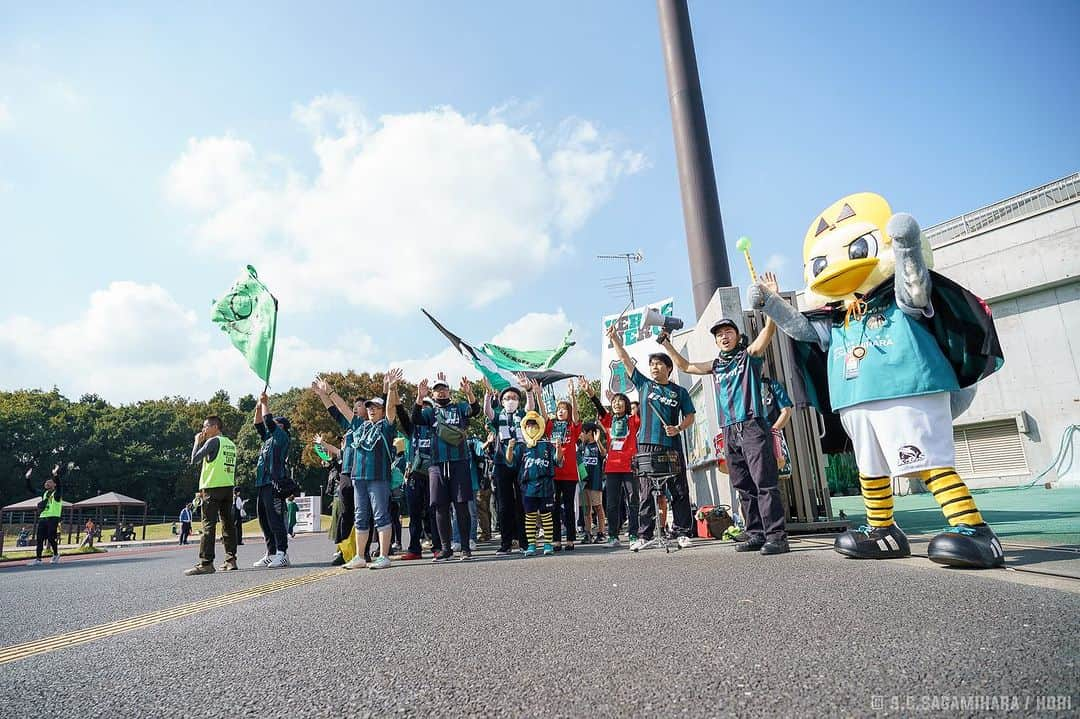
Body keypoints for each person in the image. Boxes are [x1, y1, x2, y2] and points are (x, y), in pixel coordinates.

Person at [659, 271, 789, 555]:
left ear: (737, 335)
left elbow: (768, 332)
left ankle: (777, 536)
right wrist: (666, 343)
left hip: (753, 424)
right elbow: (686, 366)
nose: (723, 337)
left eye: (728, 332)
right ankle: (755, 533)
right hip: (729, 429)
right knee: (742, 484)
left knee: (764, 482)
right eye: (719, 335)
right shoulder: (716, 365)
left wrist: (773, 300)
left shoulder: (748, 357)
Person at [607, 323, 696, 552]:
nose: (654, 367)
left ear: (669, 368)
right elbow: (626, 361)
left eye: (658, 364)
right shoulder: (644, 385)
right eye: (651, 364)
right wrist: (616, 339)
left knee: (678, 490)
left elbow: (690, 416)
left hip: (672, 446)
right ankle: (644, 534)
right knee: (646, 492)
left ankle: (682, 532)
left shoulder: (680, 392)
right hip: (646, 447)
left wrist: (678, 428)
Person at [413, 373, 480, 562]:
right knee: (440, 506)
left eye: (443, 389)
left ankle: (465, 547)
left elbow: (475, 411)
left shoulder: (459, 407)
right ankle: (445, 548)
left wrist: (469, 393)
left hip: (459, 461)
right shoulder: (430, 412)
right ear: (432, 394)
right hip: (436, 464)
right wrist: (419, 397)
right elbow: (415, 418)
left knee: (461, 505)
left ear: (449, 391)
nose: (441, 393)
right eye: (437, 390)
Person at [342, 368, 403, 570]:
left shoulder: (386, 426)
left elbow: (391, 411)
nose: (371, 410)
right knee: (360, 516)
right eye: (369, 407)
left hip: (378, 477)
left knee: (381, 515)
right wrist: (328, 393)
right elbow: (344, 410)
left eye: (376, 407)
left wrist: (392, 389)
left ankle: (384, 555)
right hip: (358, 478)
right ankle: (360, 556)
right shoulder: (361, 426)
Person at [484, 377, 539, 556]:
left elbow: (531, 408)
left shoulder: (523, 414)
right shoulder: (498, 416)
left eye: (514, 398)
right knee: (504, 505)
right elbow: (488, 412)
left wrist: (528, 390)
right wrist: (487, 396)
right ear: (501, 401)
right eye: (507, 398)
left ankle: (525, 541)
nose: (510, 401)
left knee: (523, 503)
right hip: (502, 462)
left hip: (522, 461)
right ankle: (505, 542)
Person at [586, 385, 641, 547]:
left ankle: (633, 535)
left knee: (632, 501)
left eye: (620, 401)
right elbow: (599, 407)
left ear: (626, 404)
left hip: (629, 467)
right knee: (611, 503)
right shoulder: (609, 420)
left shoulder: (633, 420)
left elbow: (641, 409)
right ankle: (613, 537)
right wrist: (590, 393)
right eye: (614, 401)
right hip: (612, 468)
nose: (617, 404)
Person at [185, 415, 239, 575]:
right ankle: (231, 560)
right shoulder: (230, 444)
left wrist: (196, 442)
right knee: (228, 524)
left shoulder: (213, 441)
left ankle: (206, 562)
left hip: (212, 487)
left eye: (206, 426)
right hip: (228, 487)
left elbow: (194, 459)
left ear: (215, 426)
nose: (203, 430)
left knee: (208, 525)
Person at [507, 411, 563, 557]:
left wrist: (558, 449)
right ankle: (531, 544)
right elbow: (510, 462)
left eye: (534, 424)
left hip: (546, 486)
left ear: (541, 426)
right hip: (528, 487)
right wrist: (510, 448)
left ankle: (548, 544)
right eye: (529, 424)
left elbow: (558, 462)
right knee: (530, 516)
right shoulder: (522, 446)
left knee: (546, 516)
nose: (531, 427)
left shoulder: (547, 445)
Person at [252, 391, 291, 568]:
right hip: (262, 483)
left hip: (274, 484)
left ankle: (282, 553)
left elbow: (267, 421)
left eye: (275, 424)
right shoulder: (268, 438)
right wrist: (259, 407)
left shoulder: (282, 438)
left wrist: (266, 403)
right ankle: (271, 552)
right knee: (263, 519)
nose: (271, 426)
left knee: (275, 518)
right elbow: (259, 423)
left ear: (281, 426)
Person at [547, 381, 583, 551]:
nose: (560, 411)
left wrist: (573, 395)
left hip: (569, 474)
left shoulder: (572, 427)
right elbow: (543, 415)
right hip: (554, 473)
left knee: (569, 506)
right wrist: (538, 394)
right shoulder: (552, 426)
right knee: (554, 506)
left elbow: (576, 416)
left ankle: (570, 538)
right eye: (558, 409)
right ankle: (556, 539)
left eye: (564, 409)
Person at [26, 463, 68, 566]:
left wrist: (55, 474)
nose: (47, 483)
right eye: (46, 482)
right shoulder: (44, 494)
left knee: (50, 537)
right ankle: (38, 559)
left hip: (53, 517)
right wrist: (27, 478)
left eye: (50, 482)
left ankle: (56, 554)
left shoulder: (57, 494)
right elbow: (31, 489)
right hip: (43, 517)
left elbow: (60, 485)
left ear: (54, 485)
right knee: (39, 538)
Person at [579, 421, 606, 544]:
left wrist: (598, 440)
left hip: (595, 482)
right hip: (584, 483)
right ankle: (588, 532)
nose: (581, 435)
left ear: (589, 432)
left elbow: (604, 454)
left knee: (598, 507)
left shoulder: (597, 446)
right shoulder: (582, 447)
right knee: (586, 509)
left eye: (583, 432)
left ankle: (601, 532)